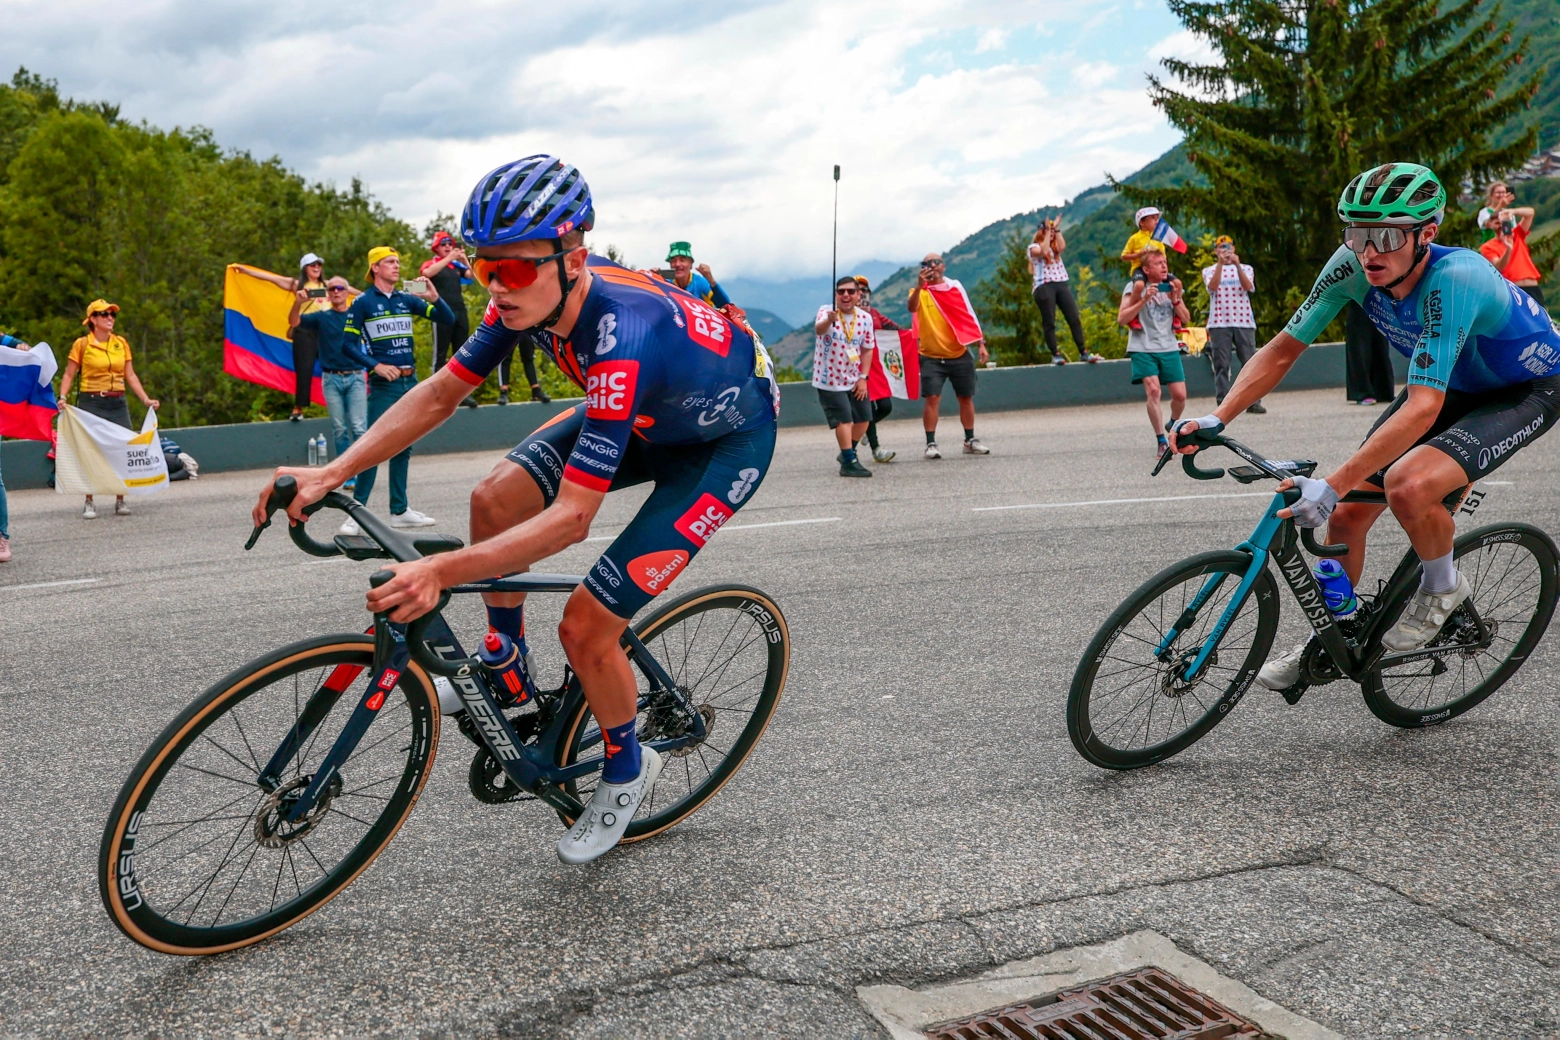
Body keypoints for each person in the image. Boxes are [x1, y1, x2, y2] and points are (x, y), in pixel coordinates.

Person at [253, 154, 779, 866]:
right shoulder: (526, 301)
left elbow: (571, 520)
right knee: (493, 498)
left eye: (516, 269)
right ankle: (504, 656)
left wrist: (440, 571)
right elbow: (440, 393)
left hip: (724, 445)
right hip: (651, 421)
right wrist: (333, 470)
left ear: (574, 259)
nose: (496, 287)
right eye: (481, 268)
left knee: (588, 625)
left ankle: (627, 770)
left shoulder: (621, 333)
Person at [1167, 162, 1560, 690]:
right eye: (1356, 233)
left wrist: (1330, 483)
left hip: (1526, 388)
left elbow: (1421, 405)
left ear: (1427, 234)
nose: (1369, 251)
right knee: (1347, 516)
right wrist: (1215, 417)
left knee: (1408, 484)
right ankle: (1338, 636)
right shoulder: (1352, 264)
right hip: (1451, 386)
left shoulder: (1457, 278)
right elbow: (1283, 349)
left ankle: (1443, 587)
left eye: (1386, 236)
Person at [340, 246, 456, 531]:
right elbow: (347, 345)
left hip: (410, 381)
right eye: (390, 262)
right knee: (373, 446)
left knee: (404, 445)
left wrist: (435, 298)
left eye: (397, 262)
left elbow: (448, 319)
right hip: (384, 384)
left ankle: (399, 510)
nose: (396, 266)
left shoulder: (406, 299)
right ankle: (356, 513)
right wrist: (375, 366)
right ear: (375, 268)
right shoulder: (363, 302)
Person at [58, 300, 160, 519]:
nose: (110, 318)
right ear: (92, 319)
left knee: (124, 447)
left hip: (117, 401)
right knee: (89, 449)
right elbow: (69, 373)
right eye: (104, 314)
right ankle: (89, 500)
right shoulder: (82, 344)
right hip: (91, 400)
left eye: (112, 315)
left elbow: (130, 374)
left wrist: (145, 400)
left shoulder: (121, 343)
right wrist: (63, 397)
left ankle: (120, 498)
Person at [288, 277, 383, 498]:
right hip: (331, 378)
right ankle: (347, 475)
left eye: (341, 288)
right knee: (339, 429)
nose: (337, 291)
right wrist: (297, 302)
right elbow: (294, 323)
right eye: (332, 288)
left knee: (359, 428)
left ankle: (363, 473)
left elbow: (374, 301)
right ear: (327, 294)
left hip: (356, 377)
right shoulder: (322, 317)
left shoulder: (357, 313)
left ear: (347, 291)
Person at [232, 254, 345, 421]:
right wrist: (245, 270)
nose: (316, 268)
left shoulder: (327, 286)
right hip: (304, 330)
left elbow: (348, 290)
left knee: (337, 366)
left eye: (319, 265)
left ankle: (342, 402)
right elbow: (271, 278)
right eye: (312, 265)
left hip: (324, 331)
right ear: (305, 268)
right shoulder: (296, 285)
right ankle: (299, 408)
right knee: (304, 370)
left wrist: (367, 294)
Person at [908, 254, 990, 458]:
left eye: (936, 262)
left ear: (943, 266)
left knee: (965, 397)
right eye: (926, 263)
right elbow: (911, 307)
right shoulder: (920, 292)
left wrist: (980, 342)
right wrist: (919, 286)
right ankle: (931, 443)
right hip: (931, 355)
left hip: (959, 351)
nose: (932, 266)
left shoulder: (955, 288)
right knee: (932, 398)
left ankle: (970, 440)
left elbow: (968, 314)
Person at [1118, 251, 1190, 454]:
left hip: (1168, 347)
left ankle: (1173, 425)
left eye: (1165, 262)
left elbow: (1186, 318)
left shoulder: (1172, 287)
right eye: (1158, 263)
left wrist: (1175, 300)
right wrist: (1142, 300)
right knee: (1154, 391)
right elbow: (1122, 319)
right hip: (1142, 347)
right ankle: (1161, 439)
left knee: (1180, 395)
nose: (1164, 266)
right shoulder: (1133, 288)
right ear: (1147, 270)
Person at [813, 276, 876, 477]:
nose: (846, 295)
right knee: (844, 421)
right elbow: (819, 330)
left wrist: (863, 377)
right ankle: (849, 462)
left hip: (854, 377)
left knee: (864, 418)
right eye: (841, 292)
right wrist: (828, 321)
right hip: (829, 379)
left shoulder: (865, 318)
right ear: (836, 295)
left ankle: (848, 451)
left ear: (859, 295)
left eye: (850, 291)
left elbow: (867, 349)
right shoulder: (826, 311)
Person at [1201, 236, 1264, 414]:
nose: (1225, 251)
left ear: (1234, 249)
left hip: (1243, 321)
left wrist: (1236, 265)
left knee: (1250, 362)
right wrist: (1221, 265)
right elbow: (1212, 287)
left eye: (1227, 247)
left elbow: (1248, 286)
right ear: (1216, 251)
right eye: (1221, 248)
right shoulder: (1210, 270)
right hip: (1219, 322)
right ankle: (1223, 402)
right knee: (1222, 364)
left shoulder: (1246, 268)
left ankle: (1254, 401)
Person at [420, 231, 480, 410]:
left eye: (450, 244)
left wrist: (463, 260)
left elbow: (475, 277)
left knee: (462, 354)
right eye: (443, 244)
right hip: (442, 313)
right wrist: (449, 258)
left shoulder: (456, 266)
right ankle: (436, 393)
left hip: (460, 311)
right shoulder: (433, 263)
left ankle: (461, 395)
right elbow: (426, 274)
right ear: (436, 247)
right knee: (440, 354)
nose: (448, 247)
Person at [1029, 219, 1097, 364]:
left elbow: (1062, 246)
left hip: (1061, 284)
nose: (1052, 234)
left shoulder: (1055, 249)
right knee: (1049, 321)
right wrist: (1047, 231)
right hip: (1044, 285)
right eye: (1049, 232)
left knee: (1073, 317)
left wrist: (1057, 230)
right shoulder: (1033, 248)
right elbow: (1042, 250)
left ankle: (1083, 351)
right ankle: (1055, 354)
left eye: (1053, 232)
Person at [856, 275, 906, 463]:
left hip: (877, 368)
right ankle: (876, 449)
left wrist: (910, 337)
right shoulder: (849, 316)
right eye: (858, 289)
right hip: (858, 369)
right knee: (866, 409)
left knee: (885, 407)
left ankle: (864, 433)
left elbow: (895, 328)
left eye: (865, 290)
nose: (862, 293)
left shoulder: (875, 314)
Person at [1477, 194, 1544, 307]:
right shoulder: (1487, 247)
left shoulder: (1517, 234)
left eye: (1503, 222)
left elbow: (1530, 213)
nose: (1501, 226)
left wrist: (1512, 211)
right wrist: (1508, 248)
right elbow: (1499, 266)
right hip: (1512, 289)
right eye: (1497, 223)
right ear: (1491, 225)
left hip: (1532, 286)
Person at [1344, 300, 1393, 405]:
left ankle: (1383, 392)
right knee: (1360, 344)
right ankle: (1362, 392)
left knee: (1381, 342)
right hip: (1358, 292)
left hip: (1381, 295)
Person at [664, 242, 731, 307]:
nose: (677, 264)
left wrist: (711, 280)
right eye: (673, 261)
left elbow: (726, 306)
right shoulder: (667, 282)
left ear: (691, 265)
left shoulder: (700, 282)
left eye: (682, 260)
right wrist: (653, 277)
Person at [1120, 207, 1168, 276]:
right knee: (1140, 284)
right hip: (1139, 268)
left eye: (1157, 218)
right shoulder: (1135, 238)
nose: (1157, 221)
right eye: (1153, 218)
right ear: (1142, 222)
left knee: (1176, 282)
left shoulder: (1157, 237)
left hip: (1156, 269)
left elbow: (1163, 256)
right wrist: (1138, 254)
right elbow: (1124, 256)